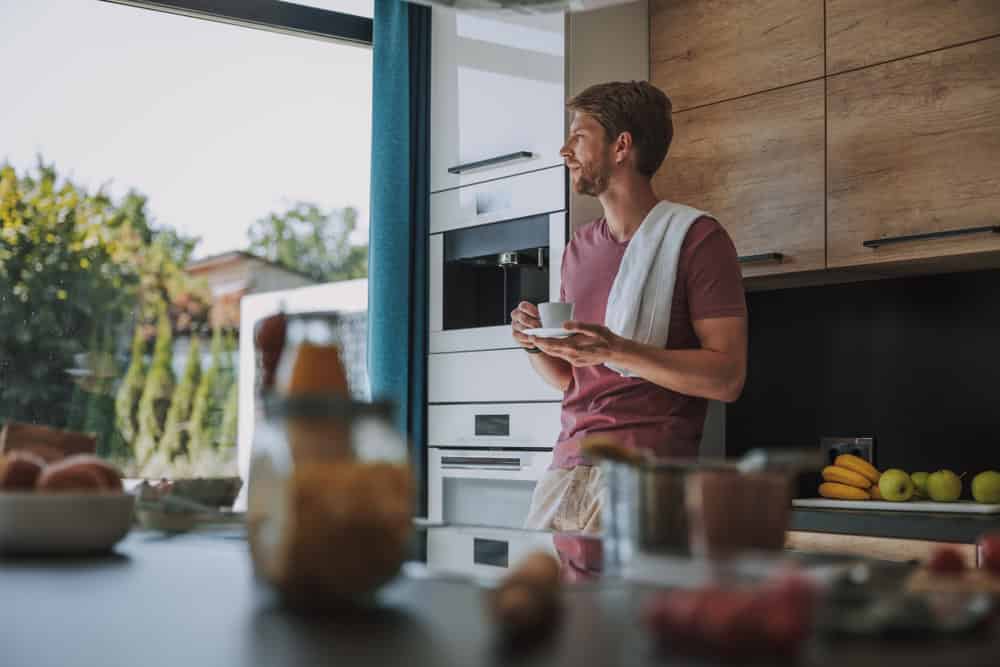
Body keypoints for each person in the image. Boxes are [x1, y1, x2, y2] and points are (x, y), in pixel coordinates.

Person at [511, 81, 748, 532]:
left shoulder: (698, 238)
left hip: (646, 474)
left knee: (626, 605)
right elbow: (570, 380)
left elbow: (727, 378)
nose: (565, 150)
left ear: (621, 146)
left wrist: (615, 349)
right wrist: (533, 344)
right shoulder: (578, 247)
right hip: (569, 471)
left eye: (578, 136)